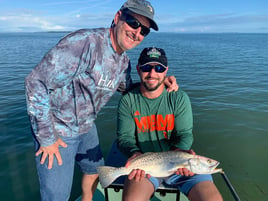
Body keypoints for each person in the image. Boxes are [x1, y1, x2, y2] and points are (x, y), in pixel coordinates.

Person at [25, 1, 178, 201]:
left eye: (144, 31)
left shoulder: (123, 62)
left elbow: (128, 89)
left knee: (93, 171)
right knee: (57, 196)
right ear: (117, 18)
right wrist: (47, 138)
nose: (137, 32)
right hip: (57, 130)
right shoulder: (85, 43)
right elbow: (36, 82)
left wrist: (157, 81)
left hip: (87, 127)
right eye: (132, 22)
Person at [117, 47, 223, 201]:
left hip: (181, 166)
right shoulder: (128, 100)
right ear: (139, 69)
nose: (152, 74)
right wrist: (135, 154)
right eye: (147, 68)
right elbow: (125, 138)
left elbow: (185, 134)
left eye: (158, 68)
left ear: (166, 71)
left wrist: (180, 151)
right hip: (146, 168)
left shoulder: (179, 98)